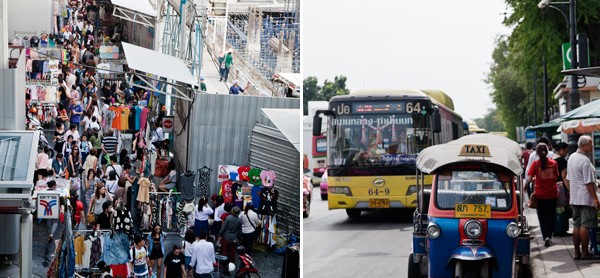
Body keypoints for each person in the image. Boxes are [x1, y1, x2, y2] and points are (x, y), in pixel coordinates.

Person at [566, 135, 600, 260]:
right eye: (590, 144)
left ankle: (576, 252)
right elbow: (588, 182)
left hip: (575, 197)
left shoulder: (571, 158)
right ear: (584, 145)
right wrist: (595, 198)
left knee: (576, 225)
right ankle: (585, 252)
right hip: (585, 198)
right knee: (585, 226)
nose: (592, 146)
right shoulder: (584, 160)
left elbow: (569, 178)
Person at [527, 143, 559, 247]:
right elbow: (556, 176)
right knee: (552, 215)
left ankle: (545, 236)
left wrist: (536, 178)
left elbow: (529, 179)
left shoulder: (535, 164)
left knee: (542, 217)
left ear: (537, 152)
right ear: (547, 150)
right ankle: (549, 235)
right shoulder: (553, 163)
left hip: (540, 195)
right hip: (552, 194)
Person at [553, 142, 571, 237]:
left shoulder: (552, 158)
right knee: (563, 209)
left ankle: (556, 229)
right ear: (561, 150)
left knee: (557, 209)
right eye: (566, 150)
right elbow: (564, 176)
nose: (567, 153)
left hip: (554, 186)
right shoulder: (562, 160)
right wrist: (569, 188)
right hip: (562, 187)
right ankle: (561, 230)